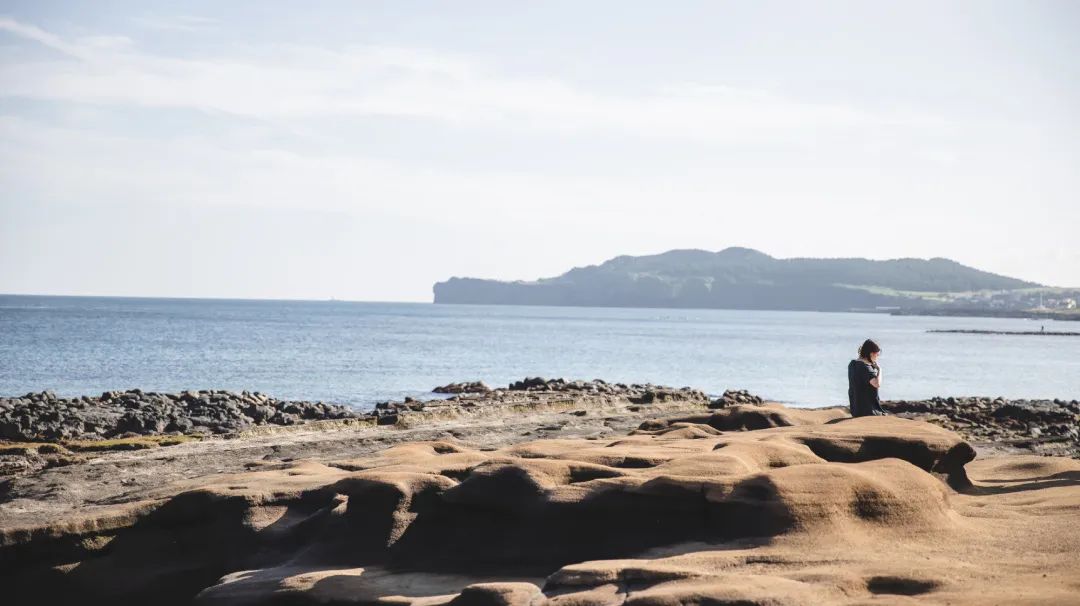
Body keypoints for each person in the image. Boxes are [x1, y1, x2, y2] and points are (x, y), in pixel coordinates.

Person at [848, 339, 887, 417]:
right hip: (868, 411)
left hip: (855, 410)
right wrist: (880, 370)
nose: (877, 356)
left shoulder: (852, 364)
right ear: (871, 354)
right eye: (877, 354)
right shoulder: (865, 367)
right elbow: (877, 384)